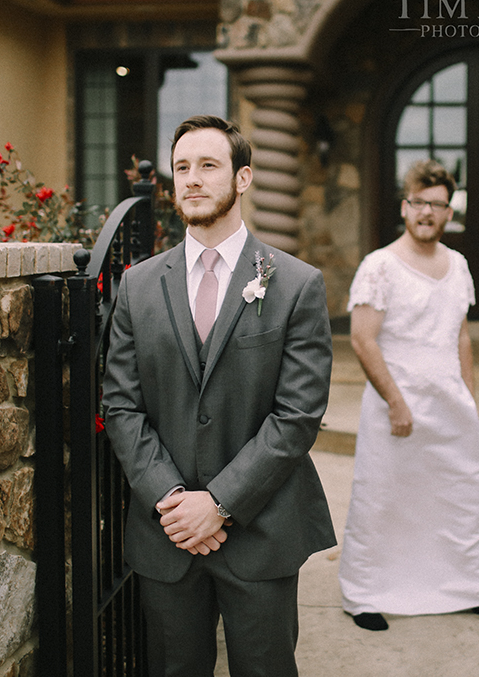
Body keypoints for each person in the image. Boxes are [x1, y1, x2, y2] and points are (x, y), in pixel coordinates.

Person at [102, 115, 335, 676]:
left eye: (208, 165)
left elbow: (297, 416)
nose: (192, 179)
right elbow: (120, 405)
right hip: (169, 532)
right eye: (182, 167)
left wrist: (220, 502)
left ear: (243, 178)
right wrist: (173, 500)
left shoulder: (295, 283)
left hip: (262, 529)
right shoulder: (138, 285)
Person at [337, 159, 479, 631]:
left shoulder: (459, 265)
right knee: (382, 498)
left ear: (449, 212)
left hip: (449, 404)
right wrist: (397, 402)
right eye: (419, 202)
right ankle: (365, 594)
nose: (427, 212)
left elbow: (461, 336)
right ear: (405, 207)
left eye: (437, 204)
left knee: (461, 496)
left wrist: (469, 396)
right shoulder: (379, 265)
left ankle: (473, 589)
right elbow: (362, 339)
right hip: (394, 407)